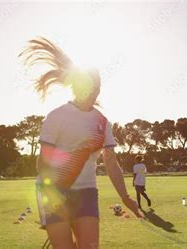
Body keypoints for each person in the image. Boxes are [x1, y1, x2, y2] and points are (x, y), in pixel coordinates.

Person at [19, 37, 142, 249]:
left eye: (98, 85)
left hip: (86, 192)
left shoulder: (102, 123)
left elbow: (111, 162)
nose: (95, 90)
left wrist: (125, 197)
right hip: (52, 191)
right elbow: (43, 160)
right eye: (91, 84)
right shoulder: (57, 116)